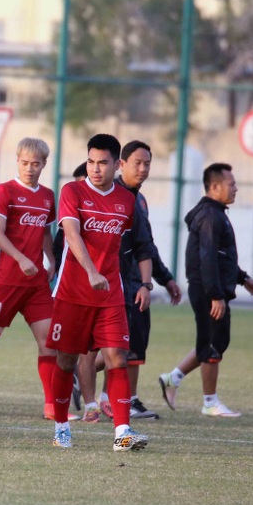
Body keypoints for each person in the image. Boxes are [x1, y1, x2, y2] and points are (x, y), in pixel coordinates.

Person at [47, 133, 152, 451]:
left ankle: (122, 432)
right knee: (66, 362)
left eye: (102, 163)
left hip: (110, 294)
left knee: (118, 357)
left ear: (116, 164)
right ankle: (62, 426)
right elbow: (71, 234)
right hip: (72, 292)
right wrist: (91, 271)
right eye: (91, 161)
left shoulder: (127, 201)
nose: (95, 168)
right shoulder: (72, 191)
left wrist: (146, 283)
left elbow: (137, 246)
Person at [79, 141, 182, 422]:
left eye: (148, 163)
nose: (143, 168)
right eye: (138, 162)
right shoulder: (106, 195)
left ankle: (111, 405)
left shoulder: (138, 199)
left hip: (130, 285)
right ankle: (96, 397)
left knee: (121, 349)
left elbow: (144, 245)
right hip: (105, 284)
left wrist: (161, 279)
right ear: (120, 164)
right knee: (103, 348)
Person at [0, 137, 72, 420]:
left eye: (35, 164)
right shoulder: (5, 191)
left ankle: (52, 406)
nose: (30, 168)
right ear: (17, 161)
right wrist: (22, 258)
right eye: (25, 163)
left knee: (50, 342)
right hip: (7, 281)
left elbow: (43, 233)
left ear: (44, 165)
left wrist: (50, 259)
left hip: (36, 284)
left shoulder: (48, 196)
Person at [158, 163, 253, 418]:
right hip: (207, 290)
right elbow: (207, 258)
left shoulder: (216, 213)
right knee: (214, 344)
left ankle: (172, 379)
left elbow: (221, 257)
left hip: (210, 288)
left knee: (213, 342)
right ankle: (209, 402)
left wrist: (243, 278)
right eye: (232, 183)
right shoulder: (210, 216)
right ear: (215, 187)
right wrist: (215, 295)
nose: (236, 188)